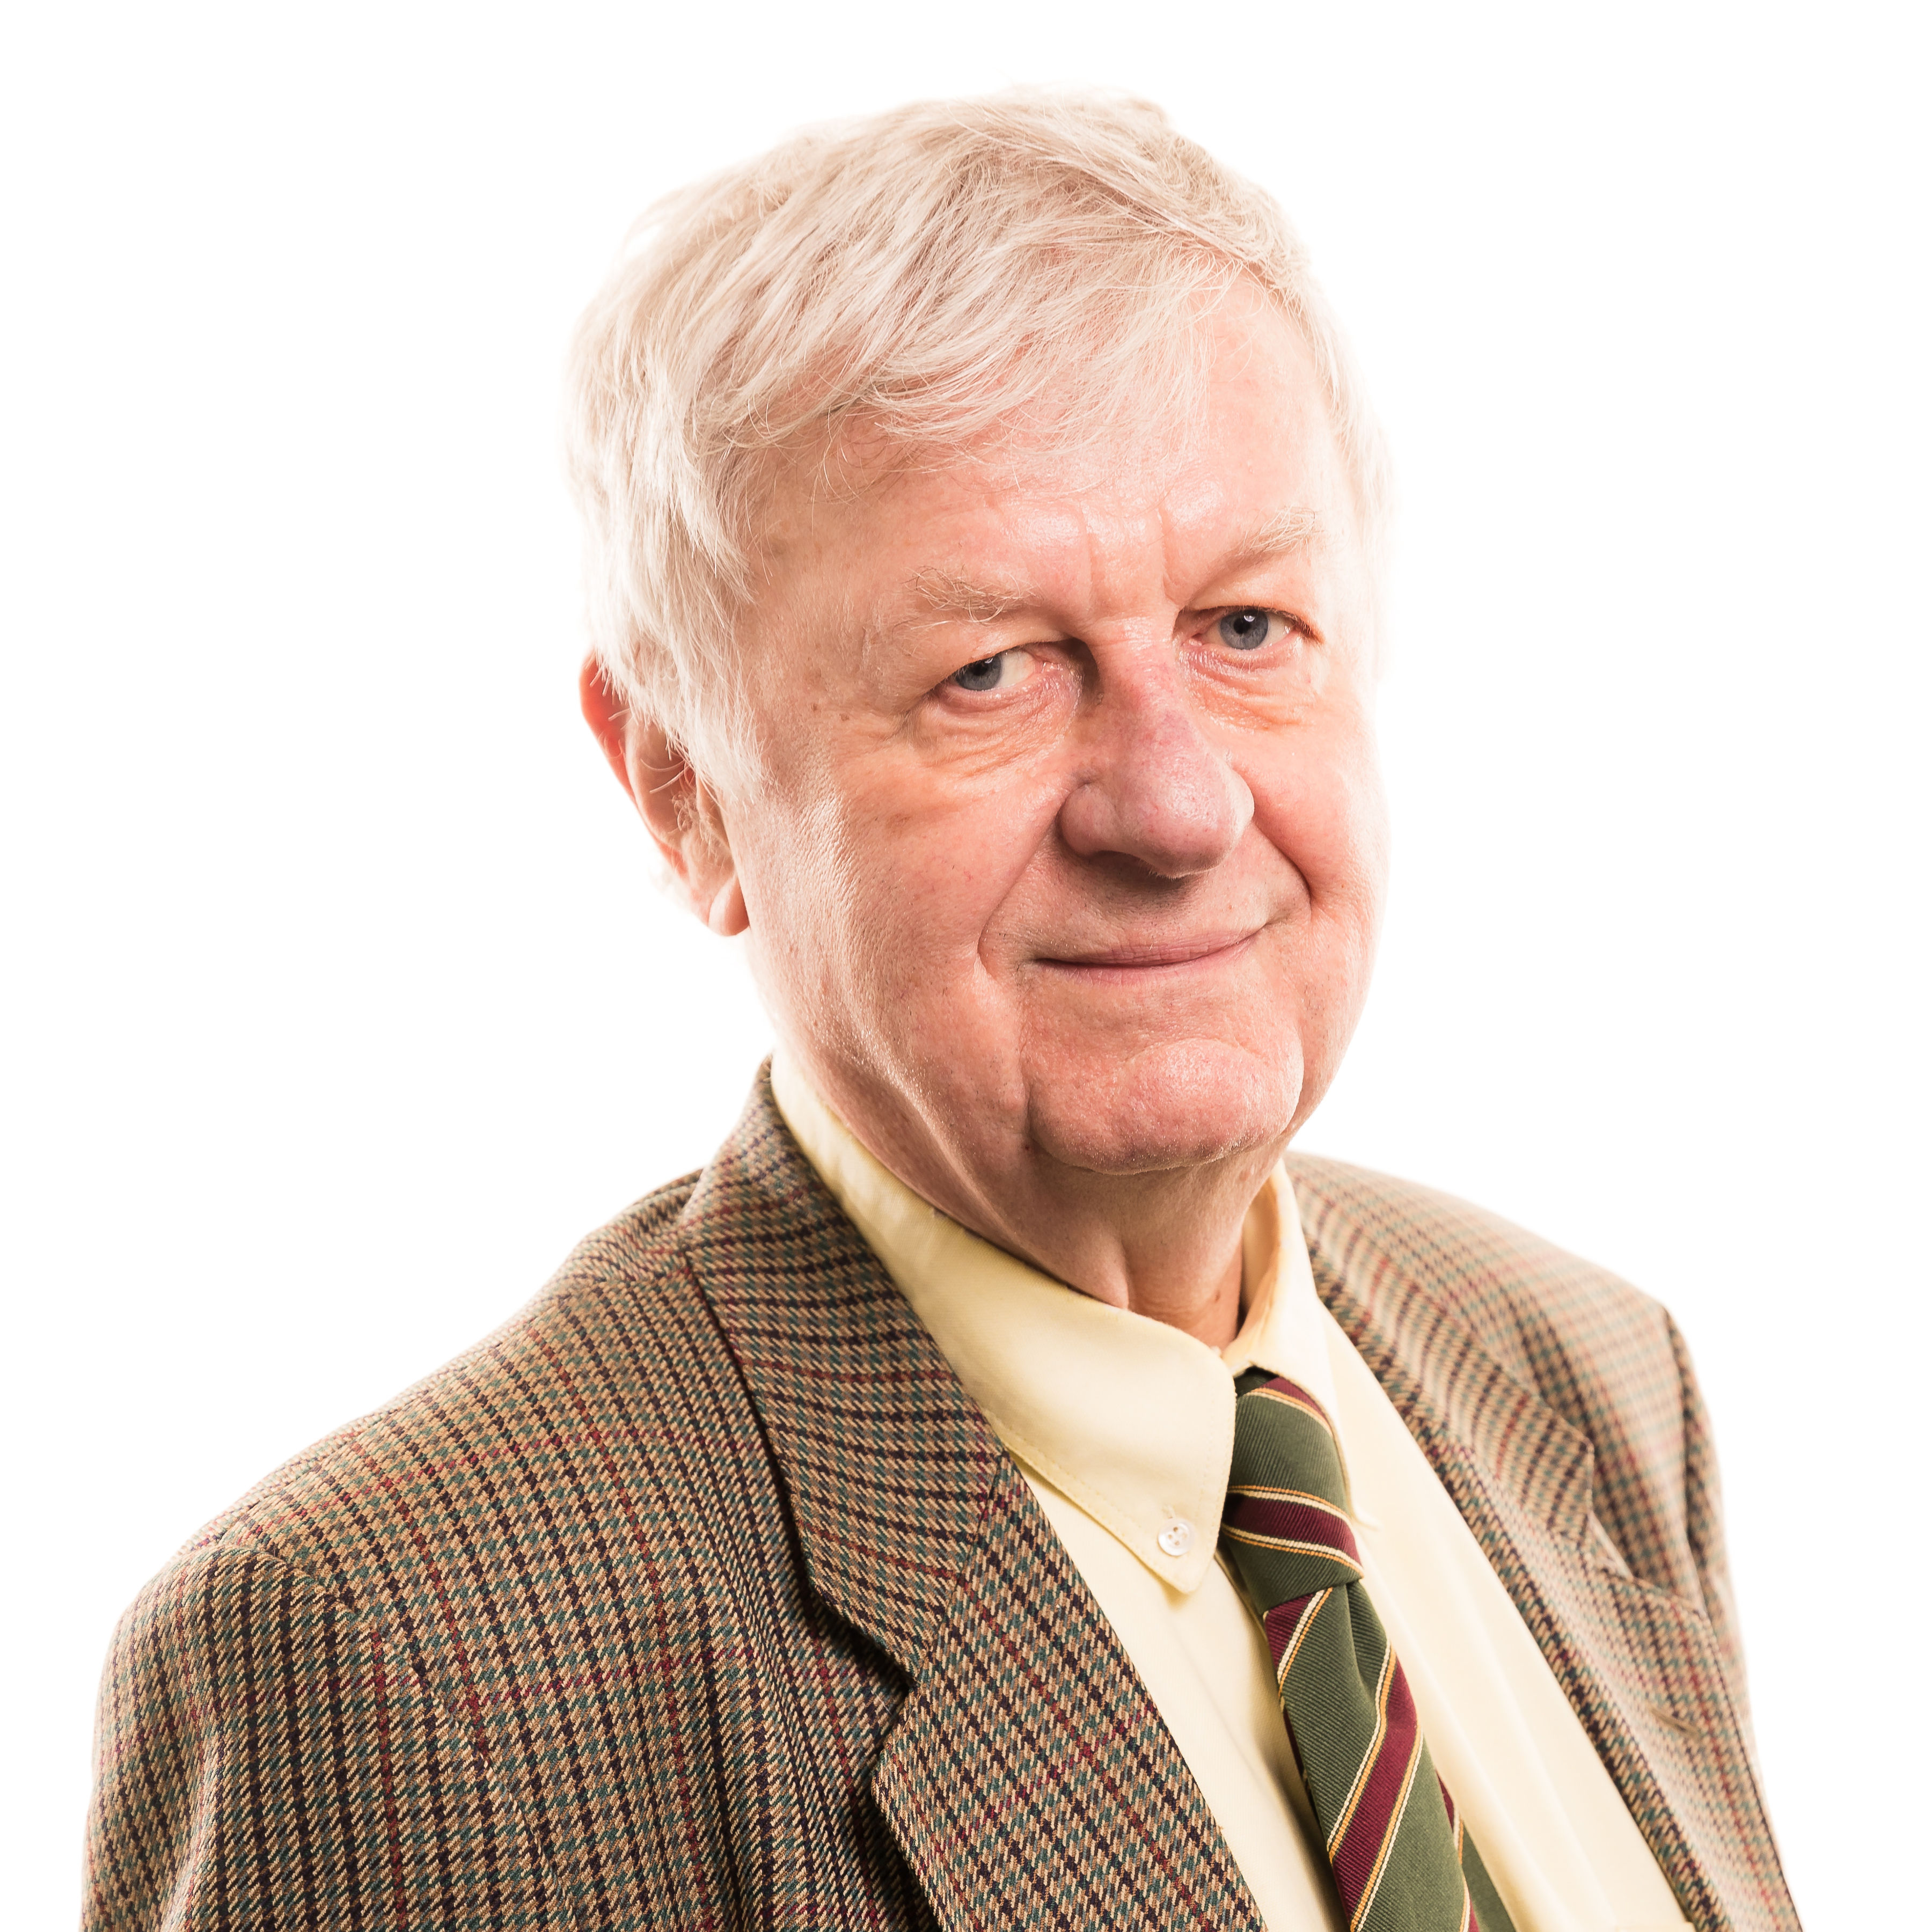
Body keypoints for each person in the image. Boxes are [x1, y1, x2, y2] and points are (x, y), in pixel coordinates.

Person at [82, 93, 1797, 1932]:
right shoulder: (400, 1659)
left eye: (1245, 628)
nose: (1178, 805)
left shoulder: (1587, 1378)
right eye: (990, 670)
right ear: (681, 787)